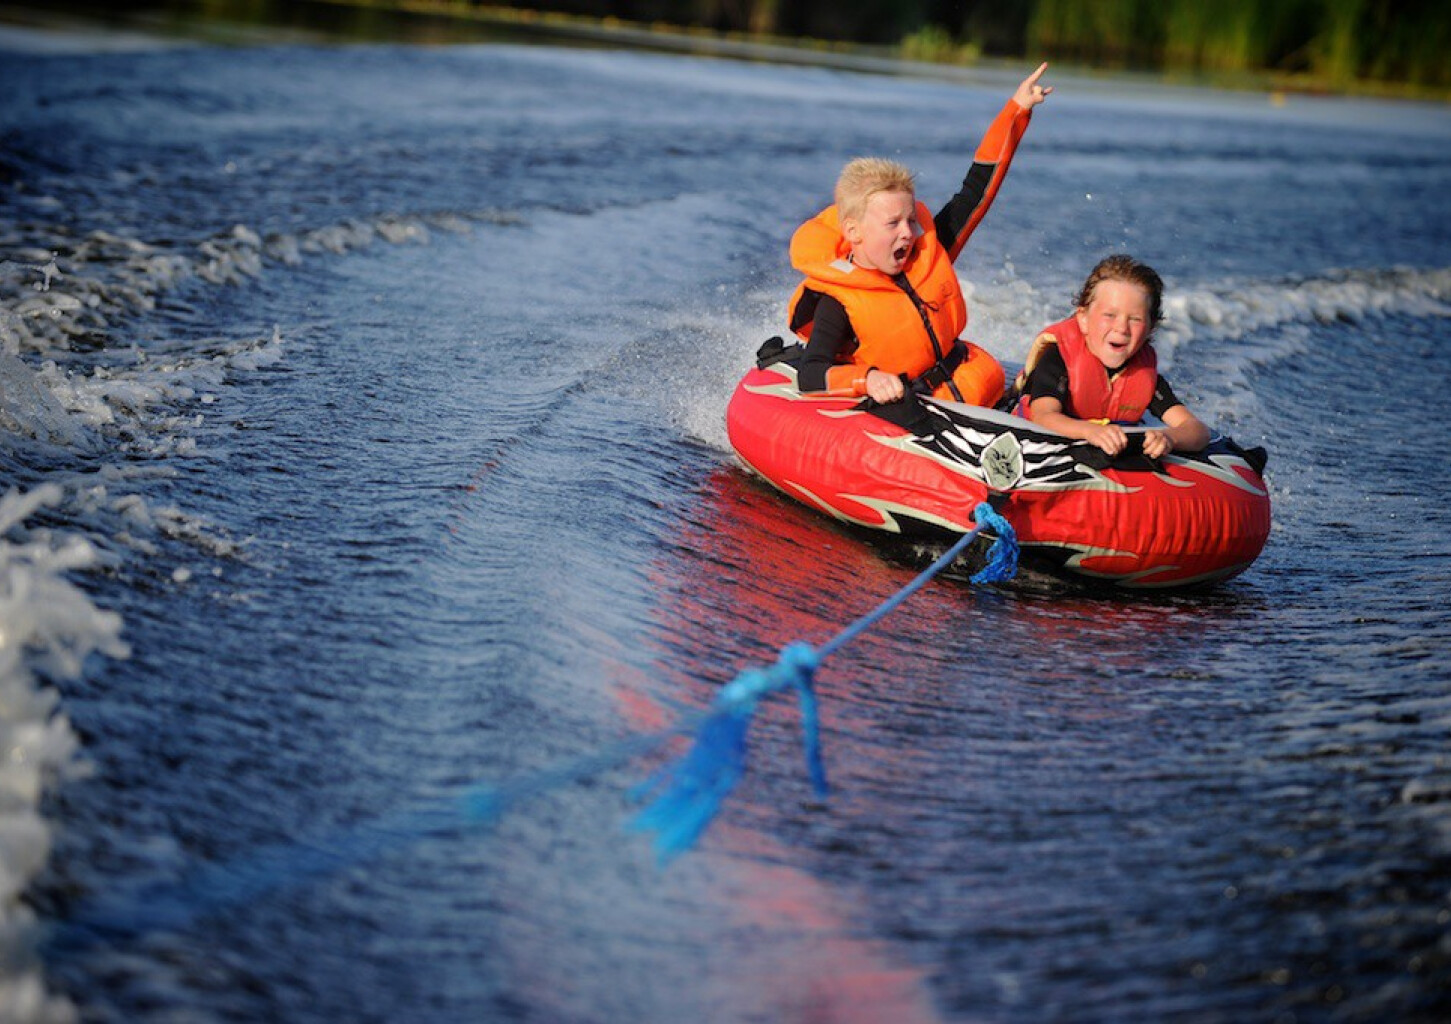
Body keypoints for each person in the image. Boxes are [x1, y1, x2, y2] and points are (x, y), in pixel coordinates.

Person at [786, 64, 1053, 410]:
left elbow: (976, 192)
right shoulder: (836, 301)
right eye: (892, 223)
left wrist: (1016, 111)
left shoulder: (927, 250)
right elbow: (811, 374)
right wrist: (867, 379)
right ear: (853, 232)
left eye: (911, 220)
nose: (908, 233)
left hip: (972, 386)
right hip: (916, 409)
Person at [1013, 254, 1210, 459]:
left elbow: (1197, 430)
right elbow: (1043, 416)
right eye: (1110, 315)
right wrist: (1089, 431)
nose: (1122, 328)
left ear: (1150, 329)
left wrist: (1169, 438)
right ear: (1083, 319)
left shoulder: (1144, 374)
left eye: (1135, 319)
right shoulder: (1058, 358)